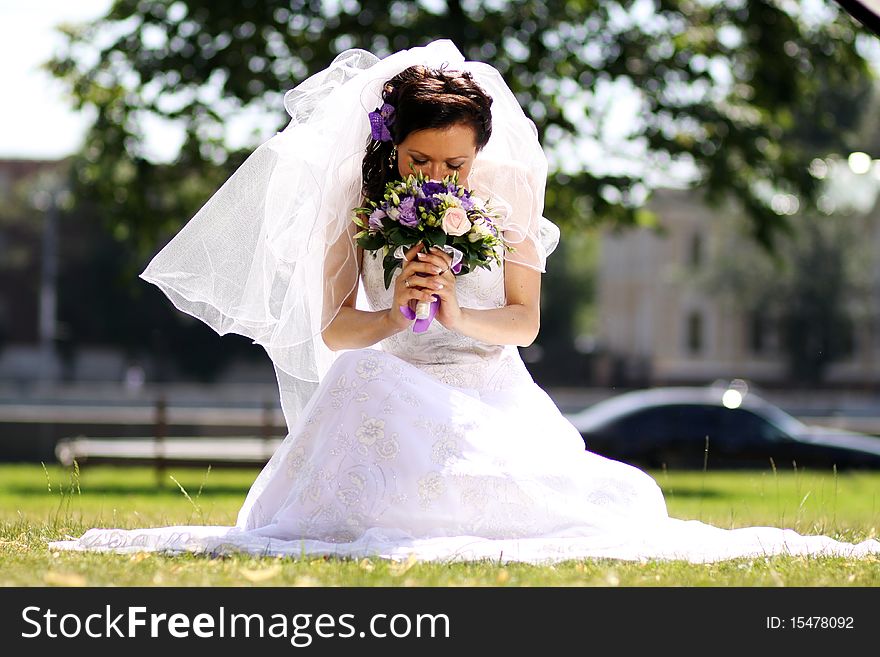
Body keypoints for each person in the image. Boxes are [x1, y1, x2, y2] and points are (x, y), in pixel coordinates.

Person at [51, 40, 879, 563]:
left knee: (610, 504)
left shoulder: (510, 185)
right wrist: (393, 313)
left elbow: (524, 319)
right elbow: (337, 329)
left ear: (479, 151)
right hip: (390, 371)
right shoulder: (355, 199)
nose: (438, 179)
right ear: (390, 146)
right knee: (363, 380)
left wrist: (454, 314)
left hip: (489, 381)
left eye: (454, 164)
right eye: (420, 161)